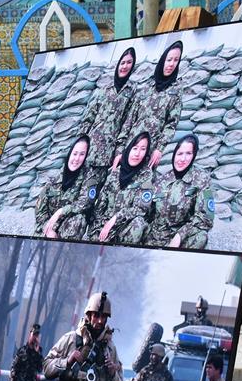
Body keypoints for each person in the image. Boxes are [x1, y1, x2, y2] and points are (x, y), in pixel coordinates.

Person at [114, 40, 185, 170]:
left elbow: (171, 124)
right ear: (163, 60)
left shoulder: (176, 92)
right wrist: (119, 150)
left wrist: (159, 149)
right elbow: (129, 120)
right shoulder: (146, 87)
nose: (171, 64)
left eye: (176, 60)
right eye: (169, 60)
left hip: (150, 151)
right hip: (130, 147)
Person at [75, 46, 138, 180]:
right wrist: (80, 142)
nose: (125, 66)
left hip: (108, 154)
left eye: (129, 63)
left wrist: (119, 152)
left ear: (133, 66)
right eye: (122, 62)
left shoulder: (132, 93)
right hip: (89, 150)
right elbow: (89, 118)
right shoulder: (104, 90)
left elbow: (127, 125)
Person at [147, 134, 215, 249]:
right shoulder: (162, 180)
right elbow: (149, 212)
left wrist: (180, 235)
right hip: (157, 237)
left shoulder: (203, 179)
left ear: (194, 156)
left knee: (201, 236)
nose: (183, 159)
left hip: (183, 240)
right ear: (174, 155)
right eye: (179, 154)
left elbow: (207, 217)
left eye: (188, 153)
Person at [87, 131, 156, 244]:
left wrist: (115, 219)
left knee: (138, 223)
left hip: (124, 226)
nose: (137, 153)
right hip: (104, 225)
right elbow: (101, 204)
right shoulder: (115, 173)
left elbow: (141, 208)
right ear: (128, 149)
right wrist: (99, 227)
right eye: (135, 148)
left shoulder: (147, 175)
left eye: (143, 149)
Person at [34, 135, 102, 240]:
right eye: (75, 153)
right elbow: (40, 210)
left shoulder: (90, 177)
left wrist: (62, 211)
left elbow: (86, 202)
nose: (77, 159)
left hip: (68, 227)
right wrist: (48, 230)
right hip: (48, 227)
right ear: (70, 153)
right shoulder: (55, 177)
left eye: (82, 154)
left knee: (79, 219)